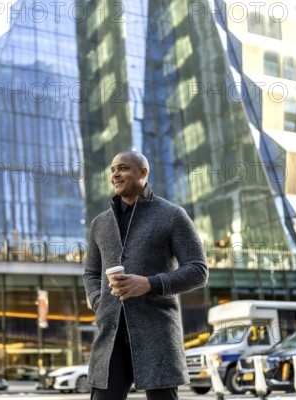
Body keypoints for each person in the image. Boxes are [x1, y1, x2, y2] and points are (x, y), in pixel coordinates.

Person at [83, 151, 209, 400]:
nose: (115, 174)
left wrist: (150, 283)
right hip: (111, 336)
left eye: (123, 168)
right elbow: (91, 273)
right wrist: (100, 304)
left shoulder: (172, 215)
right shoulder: (100, 223)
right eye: (113, 170)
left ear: (143, 173)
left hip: (157, 335)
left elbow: (198, 270)